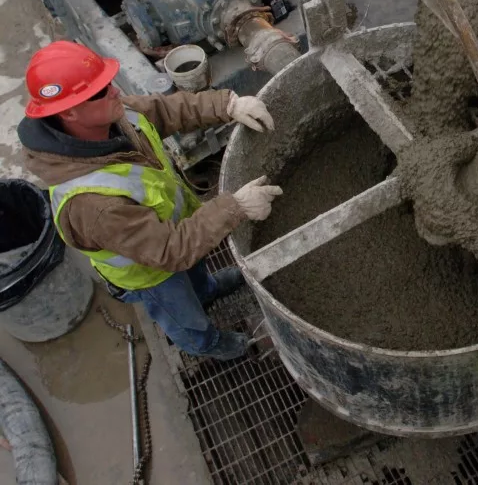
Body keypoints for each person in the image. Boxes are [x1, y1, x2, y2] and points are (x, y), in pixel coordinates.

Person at [17, 41, 283, 361]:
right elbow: (170, 252)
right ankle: (208, 345)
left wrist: (227, 105)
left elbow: (162, 110)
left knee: (197, 273)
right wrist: (234, 207)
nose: (114, 91)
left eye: (108, 82)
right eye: (101, 91)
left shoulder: (111, 115)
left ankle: (208, 290)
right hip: (153, 271)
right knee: (183, 316)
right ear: (69, 112)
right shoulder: (91, 204)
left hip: (176, 229)